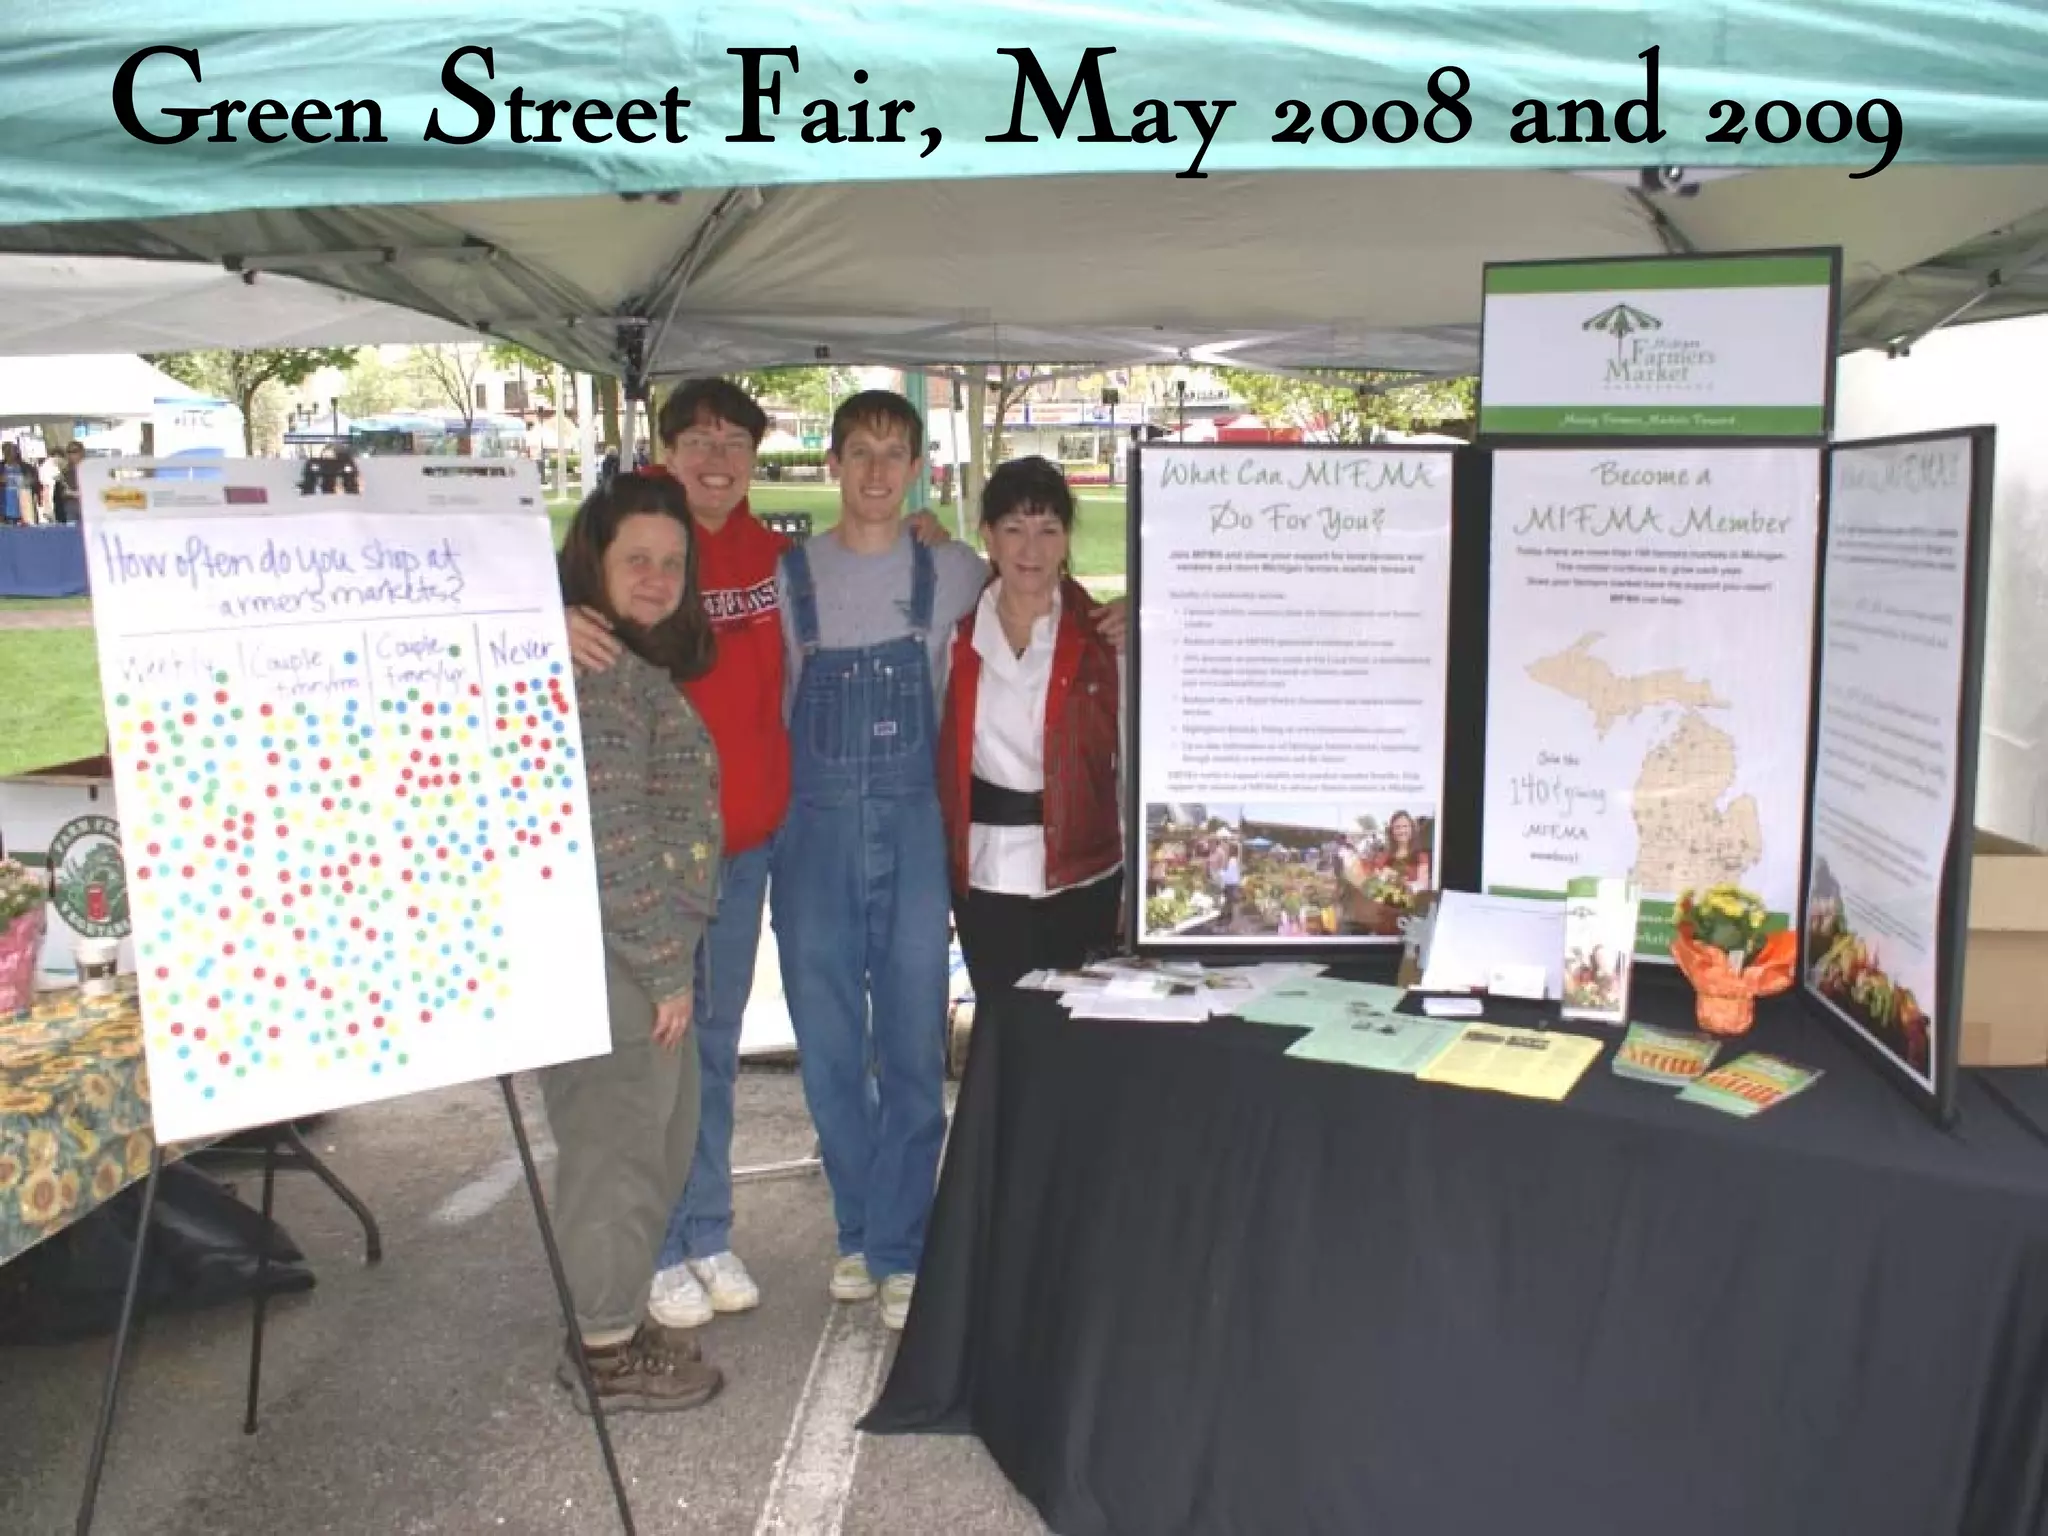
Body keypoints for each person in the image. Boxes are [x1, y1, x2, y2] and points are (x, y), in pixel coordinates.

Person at [563, 379, 963, 1330]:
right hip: (746, 840)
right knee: (781, 1051)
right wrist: (549, 617)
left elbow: (1041, 587)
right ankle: (693, 1243)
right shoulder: (658, 543)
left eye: (734, 440)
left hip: (763, 842)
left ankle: (850, 1241)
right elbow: (561, 591)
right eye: (696, 439)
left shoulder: (902, 567)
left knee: (769, 1047)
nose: (716, 457)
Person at [539, 471, 725, 1414]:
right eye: (636, 561)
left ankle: (611, 1321)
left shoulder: (623, 660)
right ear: (593, 565)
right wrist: (663, 969)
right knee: (617, 1146)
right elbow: (613, 835)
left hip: (641, 953)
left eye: (671, 563)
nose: (657, 578)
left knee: (658, 1137)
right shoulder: (597, 674)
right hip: (617, 956)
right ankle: (605, 1350)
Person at [936, 456, 1124, 1005]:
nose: (1031, 549)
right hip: (988, 875)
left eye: (1048, 530)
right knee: (1005, 1032)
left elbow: (1130, 766)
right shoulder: (955, 636)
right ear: (988, 537)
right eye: (1014, 529)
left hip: (1083, 874)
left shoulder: (1104, 639)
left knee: (1076, 1042)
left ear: (1067, 540)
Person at [1, 442, 41, 526]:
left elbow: (36, 483)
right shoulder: (1, 468)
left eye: (11, 451)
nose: (8, 454)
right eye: (6, 451)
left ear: (17, 452)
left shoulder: (27, 468)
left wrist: (29, 481)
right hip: (4, 511)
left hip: (24, 510)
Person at [51, 441, 83, 525]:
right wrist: (67, 493)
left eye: (74, 451)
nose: (71, 455)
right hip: (70, 508)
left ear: (81, 452)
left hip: (86, 508)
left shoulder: (89, 469)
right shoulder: (65, 471)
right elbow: (60, 494)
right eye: (69, 452)